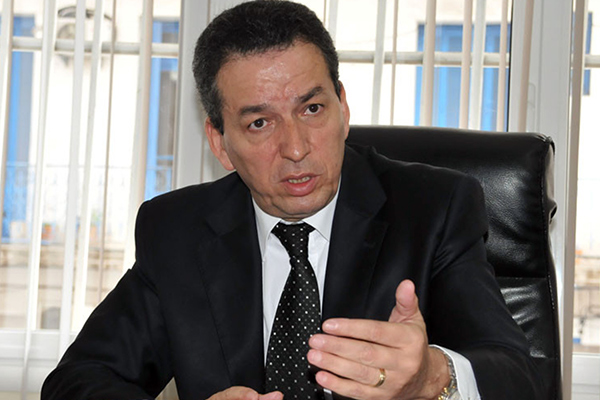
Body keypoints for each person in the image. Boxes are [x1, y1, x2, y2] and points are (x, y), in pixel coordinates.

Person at [42, 1, 543, 400]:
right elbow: (76, 381)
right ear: (220, 143)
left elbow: (517, 377)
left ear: (343, 108)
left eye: (313, 108)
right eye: (260, 122)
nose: (296, 148)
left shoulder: (434, 209)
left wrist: (431, 377)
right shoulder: (176, 230)